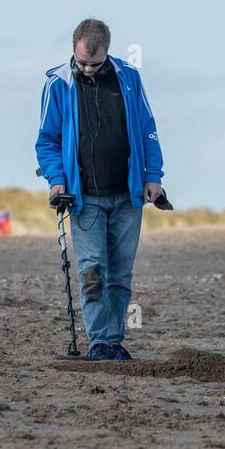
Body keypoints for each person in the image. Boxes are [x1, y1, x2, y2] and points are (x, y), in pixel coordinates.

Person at [35, 18, 165, 361]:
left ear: (107, 52)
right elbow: (47, 141)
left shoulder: (128, 78)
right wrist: (56, 180)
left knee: (119, 275)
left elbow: (148, 128)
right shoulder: (57, 84)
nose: (88, 69)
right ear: (73, 51)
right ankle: (98, 343)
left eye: (95, 63)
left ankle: (113, 341)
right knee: (92, 271)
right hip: (84, 198)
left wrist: (154, 176)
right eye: (82, 62)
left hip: (128, 195)